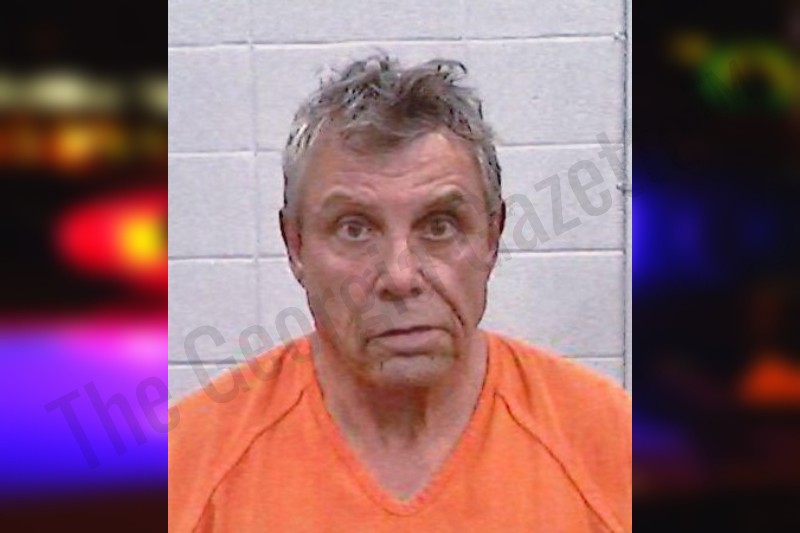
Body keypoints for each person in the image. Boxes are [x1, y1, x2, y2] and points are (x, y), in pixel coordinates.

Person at [168, 55, 631, 532]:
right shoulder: (185, 468)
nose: (400, 276)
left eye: (439, 226)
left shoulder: (612, 446)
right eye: (354, 229)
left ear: (492, 238)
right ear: (296, 247)